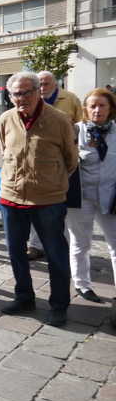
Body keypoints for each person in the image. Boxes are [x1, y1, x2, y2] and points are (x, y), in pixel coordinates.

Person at [0, 72, 77, 326]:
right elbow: (5, 150)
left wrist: (49, 179)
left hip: (48, 198)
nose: (21, 99)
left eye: (26, 92)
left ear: (37, 91)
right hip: (11, 196)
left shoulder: (59, 120)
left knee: (55, 252)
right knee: (15, 251)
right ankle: (24, 297)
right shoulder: (5, 119)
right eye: (15, 94)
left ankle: (59, 304)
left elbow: (70, 160)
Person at [26, 70, 84, 260]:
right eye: (39, 84)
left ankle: (62, 244)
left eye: (47, 84)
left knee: (62, 205)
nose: (43, 88)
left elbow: (80, 125)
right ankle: (35, 245)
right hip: (37, 163)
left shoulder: (70, 99)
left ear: (56, 84)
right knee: (36, 204)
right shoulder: (31, 99)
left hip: (63, 162)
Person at [67, 89, 116, 303]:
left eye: (102, 105)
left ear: (111, 108)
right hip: (82, 197)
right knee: (80, 242)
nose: (97, 110)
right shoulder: (76, 131)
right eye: (92, 106)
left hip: (111, 197)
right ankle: (82, 285)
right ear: (85, 110)